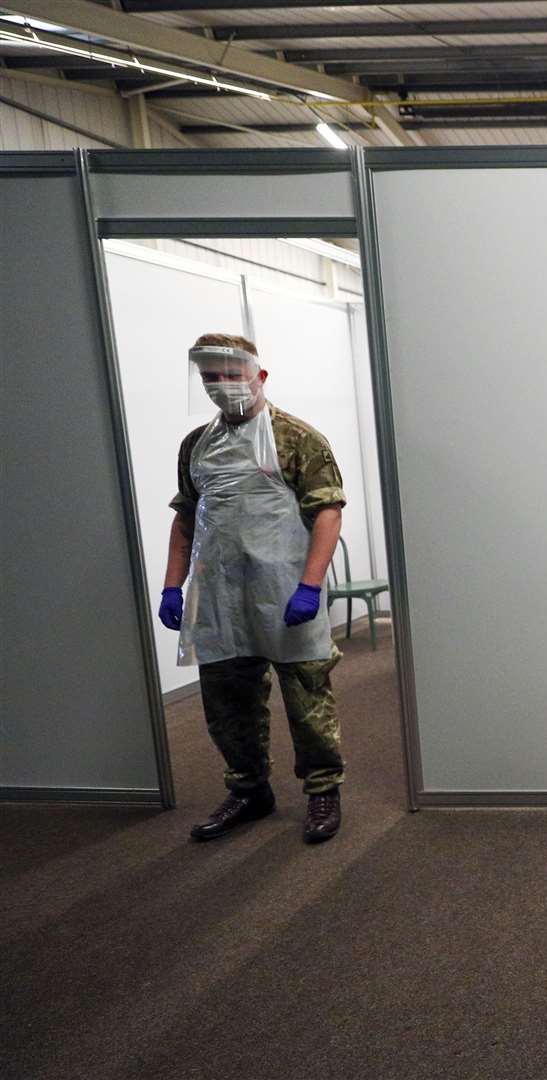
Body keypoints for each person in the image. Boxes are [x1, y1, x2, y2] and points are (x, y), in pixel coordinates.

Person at [156, 334, 349, 844]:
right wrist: (173, 586)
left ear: (259, 376)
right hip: (219, 594)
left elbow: (327, 511)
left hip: (284, 587)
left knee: (306, 696)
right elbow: (187, 518)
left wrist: (310, 585)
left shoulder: (296, 438)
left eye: (231, 374)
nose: (222, 386)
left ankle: (323, 790)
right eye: (210, 377)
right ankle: (248, 789)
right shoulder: (197, 444)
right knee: (227, 702)